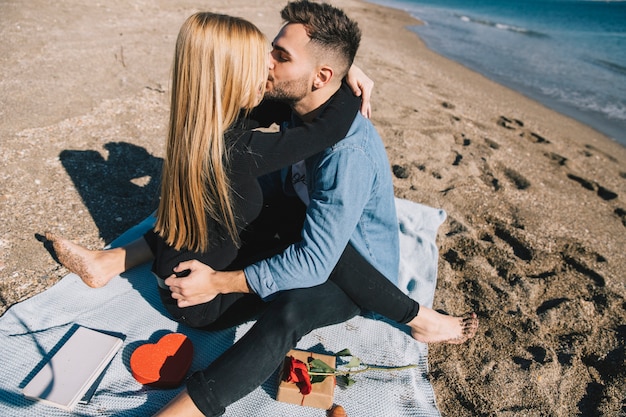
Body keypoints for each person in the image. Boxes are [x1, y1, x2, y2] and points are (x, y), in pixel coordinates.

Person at [46, 3, 477, 416]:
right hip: (299, 220)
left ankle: (417, 319)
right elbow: (303, 113)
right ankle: (110, 261)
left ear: (319, 76)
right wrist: (341, 78)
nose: (267, 62)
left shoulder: (348, 154)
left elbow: (316, 258)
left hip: (356, 268)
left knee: (289, 309)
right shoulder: (291, 105)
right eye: (272, 49)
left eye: (281, 55)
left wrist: (218, 281)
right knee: (233, 203)